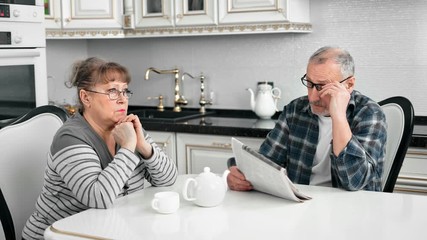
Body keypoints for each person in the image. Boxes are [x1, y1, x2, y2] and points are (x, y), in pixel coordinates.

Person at [22, 57, 178, 239]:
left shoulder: (128, 129)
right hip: (60, 236)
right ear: (86, 97)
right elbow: (99, 198)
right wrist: (128, 147)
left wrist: (144, 147)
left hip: (109, 230)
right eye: (112, 91)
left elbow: (168, 179)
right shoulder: (70, 138)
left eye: (125, 91)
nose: (122, 100)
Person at [227, 46, 387, 192]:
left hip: (353, 209)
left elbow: (354, 182)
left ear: (349, 84)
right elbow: (266, 162)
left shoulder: (370, 114)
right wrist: (238, 173)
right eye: (309, 83)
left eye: (322, 86)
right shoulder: (295, 110)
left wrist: (338, 116)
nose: (312, 97)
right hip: (301, 204)